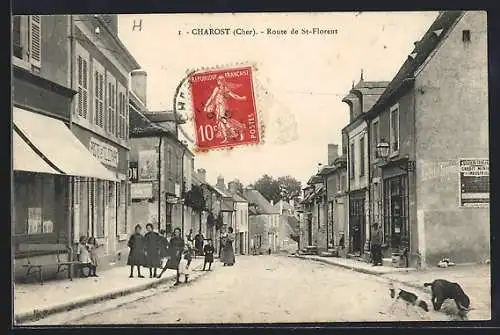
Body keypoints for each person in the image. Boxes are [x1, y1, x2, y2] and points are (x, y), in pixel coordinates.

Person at [203, 75, 247, 143]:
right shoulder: (219, 88)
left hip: (222, 106)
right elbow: (212, 98)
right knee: (221, 122)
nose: (221, 82)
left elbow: (233, 95)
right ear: (218, 81)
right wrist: (207, 106)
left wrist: (241, 98)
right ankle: (227, 137)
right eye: (220, 80)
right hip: (218, 107)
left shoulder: (223, 89)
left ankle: (234, 132)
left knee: (222, 119)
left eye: (222, 80)